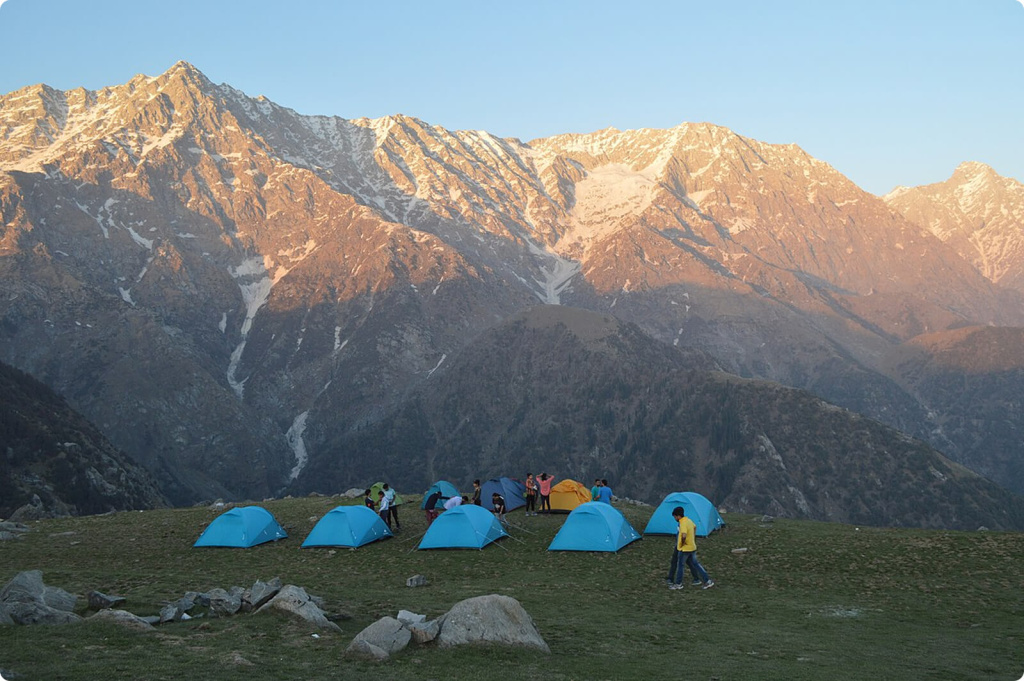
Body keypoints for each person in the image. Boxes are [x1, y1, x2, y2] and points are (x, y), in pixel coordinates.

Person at [667, 506, 714, 590]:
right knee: (696, 564)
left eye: (675, 517)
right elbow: (694, 527)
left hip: (684, 549)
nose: (675, 518)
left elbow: (684, 534)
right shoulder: (689, 520)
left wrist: (682, 543)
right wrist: (692, 538)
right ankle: (707, 580)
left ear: (678, 516)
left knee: (680, 566)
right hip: (692, 547)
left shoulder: (682, 523)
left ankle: (678, 583)